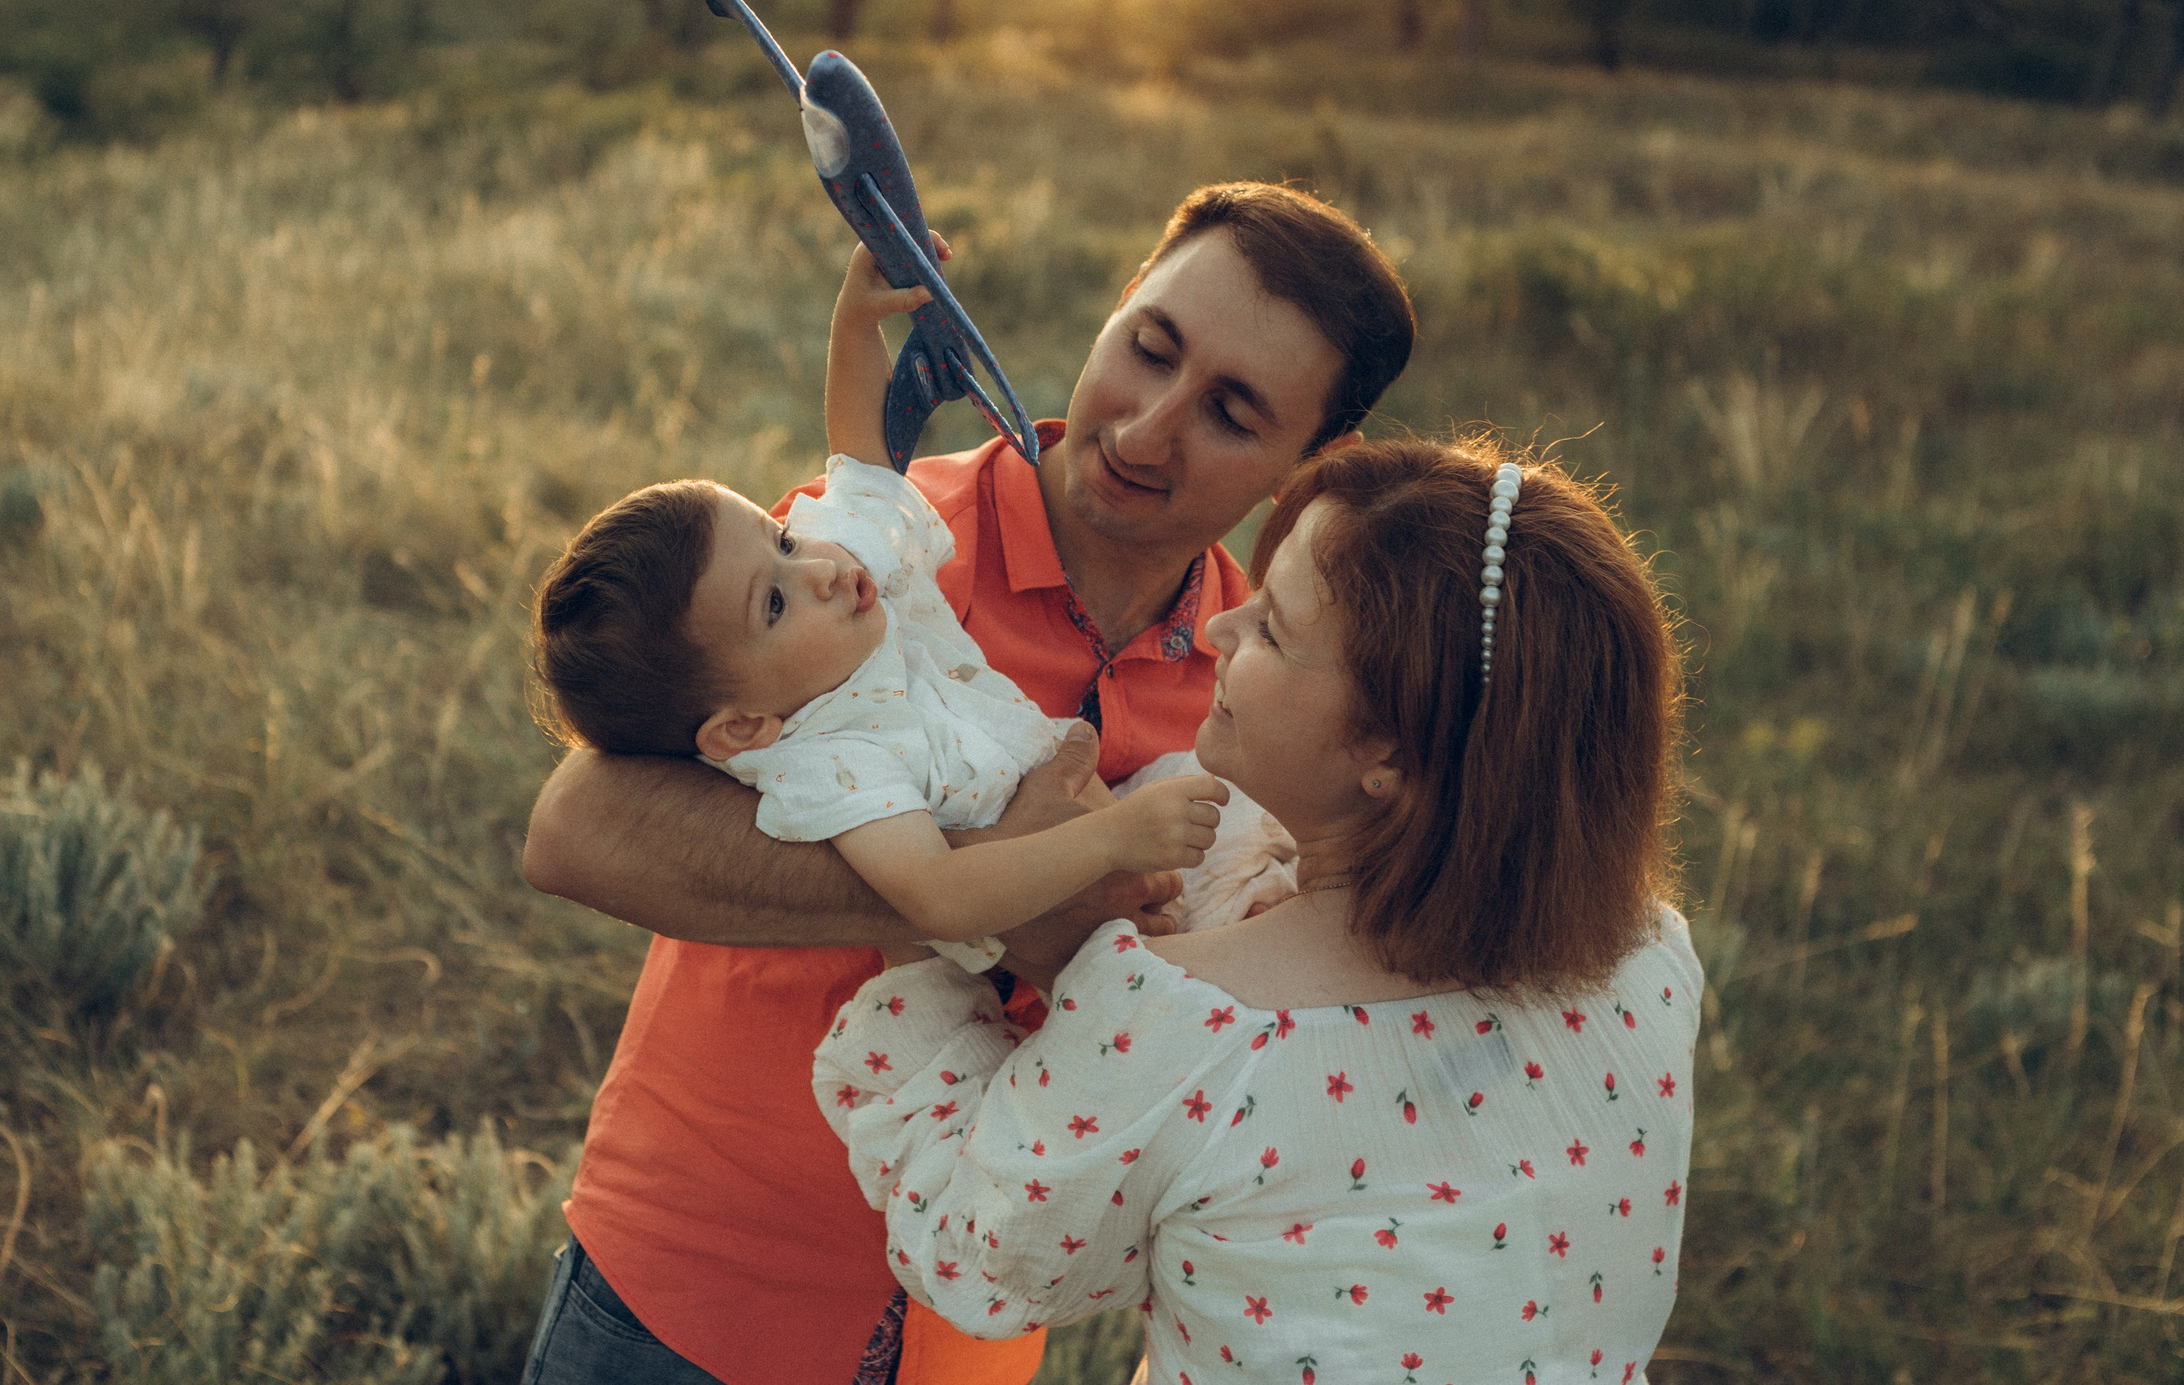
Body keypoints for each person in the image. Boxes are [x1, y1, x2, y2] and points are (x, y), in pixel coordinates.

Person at [519, 183, 1417, 1385]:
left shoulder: (1263, 679)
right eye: (1148, 347)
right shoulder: (868, 561)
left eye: (1232, 413)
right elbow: (575, 831)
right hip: (696, 1301)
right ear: (1112, 314)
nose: (1146, 431)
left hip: (976, 1327)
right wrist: (987, 891)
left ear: (1310, 468)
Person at [813, 440, 1698, 1384]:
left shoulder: (1187, 1023)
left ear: (1388, 755)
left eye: (1274, 629)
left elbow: (978, 1250)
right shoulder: (1648, 963)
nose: (1221, 628)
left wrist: (918, 930)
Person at [532, 247, 1226, 966]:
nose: (821, 570)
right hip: (1069, 953)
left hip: (1133, 886)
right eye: (773, 603)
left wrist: (856, 322)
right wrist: (1111, 840)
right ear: (744, 726)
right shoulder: (839, 760)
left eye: (784, 540)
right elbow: (940, 895)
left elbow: (859, 458)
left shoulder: (848, 583)